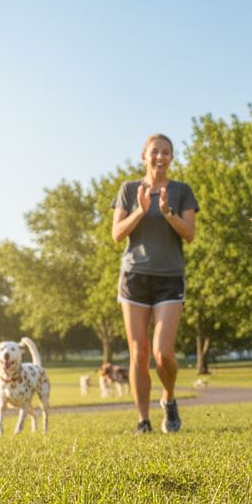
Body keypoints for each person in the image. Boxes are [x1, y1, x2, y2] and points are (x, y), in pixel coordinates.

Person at [111, 134, 198, 434]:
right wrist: (140, 209)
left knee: (163, 353)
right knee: (139, 352)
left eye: (166, 152)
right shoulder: (128, 189)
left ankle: (169, 398)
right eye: (155, 152)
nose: (160, 156)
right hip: (134, 277)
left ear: (171, 157)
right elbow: (117, 234)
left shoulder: (181, 191)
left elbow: (189, 234)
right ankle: (143, 420)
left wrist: (167, 213)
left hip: (169, 277)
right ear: (144, 156)